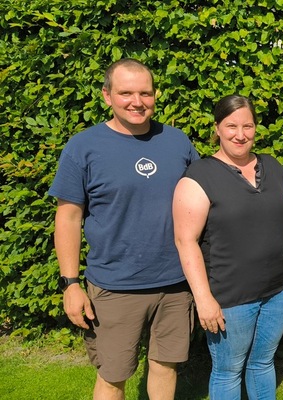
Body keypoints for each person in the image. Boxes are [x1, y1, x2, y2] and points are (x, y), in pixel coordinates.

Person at [49, 58, 199, 400]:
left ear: (156, 95)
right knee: (113, 377)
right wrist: (70, 284)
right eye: (126, 92)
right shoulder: (83, 147)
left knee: (166, 365)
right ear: (107, 95)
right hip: (115, 286)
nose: (137, 101)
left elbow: (200, 201)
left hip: (176, 283)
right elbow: (68, 218)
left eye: (145, 92)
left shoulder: (177, 142)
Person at [172, 94, 283, 400]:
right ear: (217, 128)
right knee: (228, 370)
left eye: (248, 126)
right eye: (231, 125)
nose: (240, 134)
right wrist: (203, 298)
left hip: (277, 290)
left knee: (262, 363)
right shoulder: (198, 178)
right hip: (230, 299)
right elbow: (186, 241)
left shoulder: (274, 167)